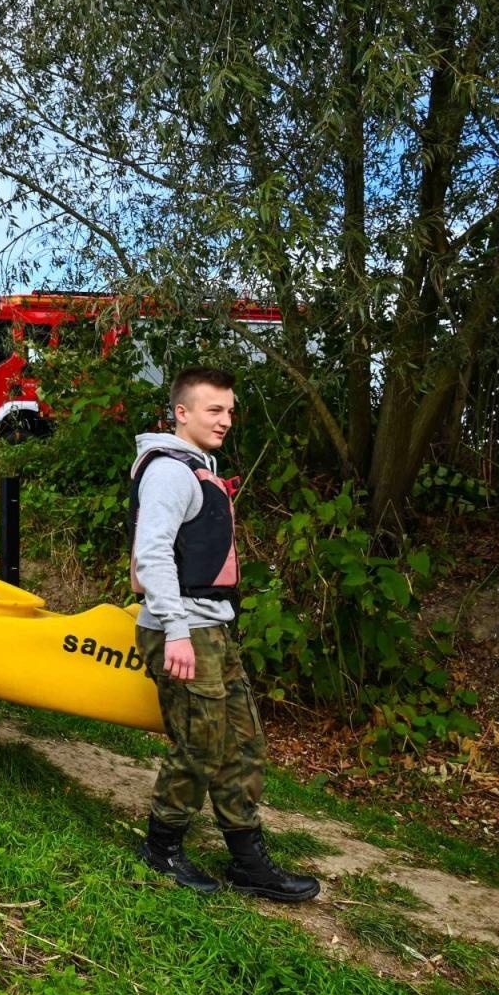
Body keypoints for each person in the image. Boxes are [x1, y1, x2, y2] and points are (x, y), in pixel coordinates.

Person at [129, 366, 319, 902]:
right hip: (182, 628)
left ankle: (247, 860)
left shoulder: (197, 468)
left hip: (210, 627)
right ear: (181, 413)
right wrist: (177, 631)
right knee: (201, 745)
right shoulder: (170, 471)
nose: (226, 420)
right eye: (215, 410)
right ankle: (161, 849)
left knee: (241, 742)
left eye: (230, 410)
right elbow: (153, 553)